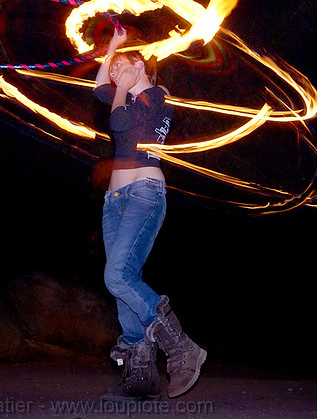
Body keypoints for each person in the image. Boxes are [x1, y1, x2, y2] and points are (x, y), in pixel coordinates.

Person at [93, 28, 207, 400]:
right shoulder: (123, 94)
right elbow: (98, 91)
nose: (113, 73)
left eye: (122, 67)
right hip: (115, 201)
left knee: (116, 275)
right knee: (122, 281)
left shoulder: (156, 95)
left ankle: (181, 345)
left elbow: (119, 123)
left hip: (145, 192)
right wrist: (112, 47)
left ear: (140, 65)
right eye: (113, 69)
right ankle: (140, 374)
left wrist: (123, 84)